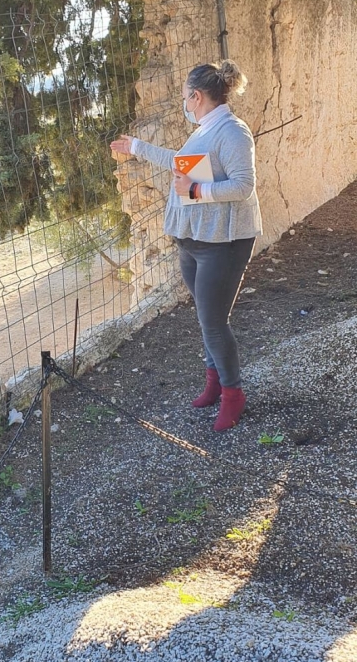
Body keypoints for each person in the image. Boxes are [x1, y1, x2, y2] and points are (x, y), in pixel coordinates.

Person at [110, 60, 262, 432]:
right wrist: (137, 147)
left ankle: (232, 394)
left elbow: (244, 186)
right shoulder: (203, 131)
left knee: (213, 322)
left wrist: (195, 190)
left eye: (184, 96)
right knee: (206, 319)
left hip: (221, 244)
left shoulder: (233, 133)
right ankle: (214, 382)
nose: (184, 102)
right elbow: (180, 163)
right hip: (194, 242)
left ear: (196, 96)